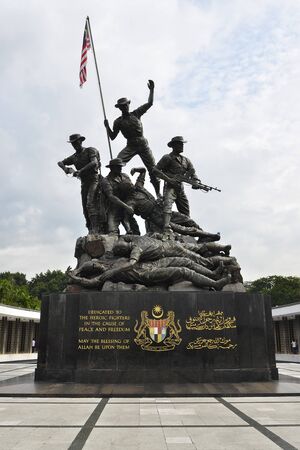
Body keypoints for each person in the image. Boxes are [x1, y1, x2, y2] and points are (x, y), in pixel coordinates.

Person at [125, 167, 220, 241]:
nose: (130, 184)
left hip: (161, 208)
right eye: (128, 185)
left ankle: (203, 236)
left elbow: (143, 171)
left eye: (129, 182)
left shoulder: (138, 187)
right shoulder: (130, 201)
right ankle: (210, 235)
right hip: (155, 217)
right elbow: (128, 213)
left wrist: (135, 170)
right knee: (180, 229)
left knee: (186, 219)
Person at [104, 80, 160, 196]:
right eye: (122, 106)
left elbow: (149, 103)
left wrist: (152, 90)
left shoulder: (136, 113)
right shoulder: (118, 122)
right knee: (116, 163)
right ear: (119, 108)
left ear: (128, 105)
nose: (125, 107)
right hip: (130, 146)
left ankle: (158, 194)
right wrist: (107, 127)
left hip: (143, 144)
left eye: (126, 105)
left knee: (153, 170)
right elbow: (113, 137)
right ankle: (111, 186)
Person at [70, 257, 230, 290]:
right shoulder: (107, 275)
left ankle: (213, 273)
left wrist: (78, 269)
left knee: (183, 260)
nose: (97, 264)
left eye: (96, 263)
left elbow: (88, 263)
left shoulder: (110, 260)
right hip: (148, 275)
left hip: (150, 264)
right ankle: (215, 283)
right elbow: (91, 283)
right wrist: (76, 278)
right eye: (95, 266)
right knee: (183, 271)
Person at [153, 136, 201, 231]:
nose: (182, 146)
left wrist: (195, 181)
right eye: (180, 144)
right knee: (168, 206)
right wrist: (169, 179)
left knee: (185, 211)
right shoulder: (167, 157)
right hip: (170, 187)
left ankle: (190, 231)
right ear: (174, 146)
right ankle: (166, 226)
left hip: (180, 188)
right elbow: (155, 170)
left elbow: (192, 172)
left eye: (182, 144)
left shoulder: (186, 160)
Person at [57, 134, 102, 234]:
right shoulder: (74, 157)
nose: (74, 145)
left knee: (90, 203)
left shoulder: (90, 150)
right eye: (73, 143)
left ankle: (95, 229)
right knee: (85, 208)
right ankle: (90, 228)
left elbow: (94, 163)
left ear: (81, 141)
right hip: (84, 182)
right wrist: (65, 169)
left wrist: (81, 170)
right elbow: (60, 162)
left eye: (76, 142)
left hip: (94, 180)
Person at [100, 158, 138, 235]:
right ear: (112, 168)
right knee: (112, 231)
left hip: (127, 205)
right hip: (114, 208)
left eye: (121, 167)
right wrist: (126, 206)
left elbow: (131, 189)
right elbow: (111, 197)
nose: (120, 169)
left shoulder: (125, 176)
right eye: (118, 167)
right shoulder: (106, 181)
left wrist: (130, 204)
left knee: (135, 231)